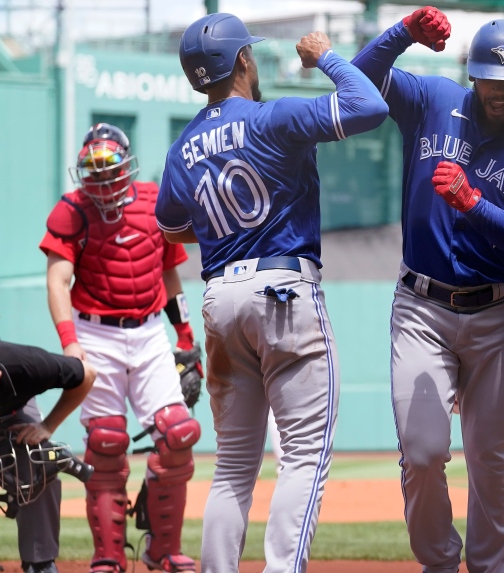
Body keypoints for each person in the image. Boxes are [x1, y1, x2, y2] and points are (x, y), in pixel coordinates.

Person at [156, 13, 388, 573]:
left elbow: (171, 227)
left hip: (219, 298)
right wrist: (326, 59)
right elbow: (369, 107)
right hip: (283, 292)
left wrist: (221, 228)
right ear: (242, 60)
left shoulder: (181, 147)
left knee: (233, 464)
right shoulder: (273, 116)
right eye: (251, 54)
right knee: (303, 456)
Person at [352, 10, 504, 573]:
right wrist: (401, 34)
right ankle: (440, 565)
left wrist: (475, 204)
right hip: (421, 307)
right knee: (422, 455)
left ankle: (490, 567)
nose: (499, 92)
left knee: (494, 461)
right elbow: (359, 78)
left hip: (497, 312)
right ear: (472, 75)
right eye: (490, 80)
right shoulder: (433, 100)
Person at [40, 122, 203, 573]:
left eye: (110, 165)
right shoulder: (72, 210)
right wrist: (70, 344)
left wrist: (185, 337)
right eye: (92, 168)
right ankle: (108, 556)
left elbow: (171, 275)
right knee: (106, 443)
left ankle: (161, 548)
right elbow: (57, 281)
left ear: (126, 164)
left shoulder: (154, 201)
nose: (102, 176)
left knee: (178, 435)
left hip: (150, 331)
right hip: (96, 333)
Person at [0, 335, 96, 573]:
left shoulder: (26, 366)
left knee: (36, 458)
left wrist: (48, 426)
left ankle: (40, 563)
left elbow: (88, 374)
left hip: (8, 412)